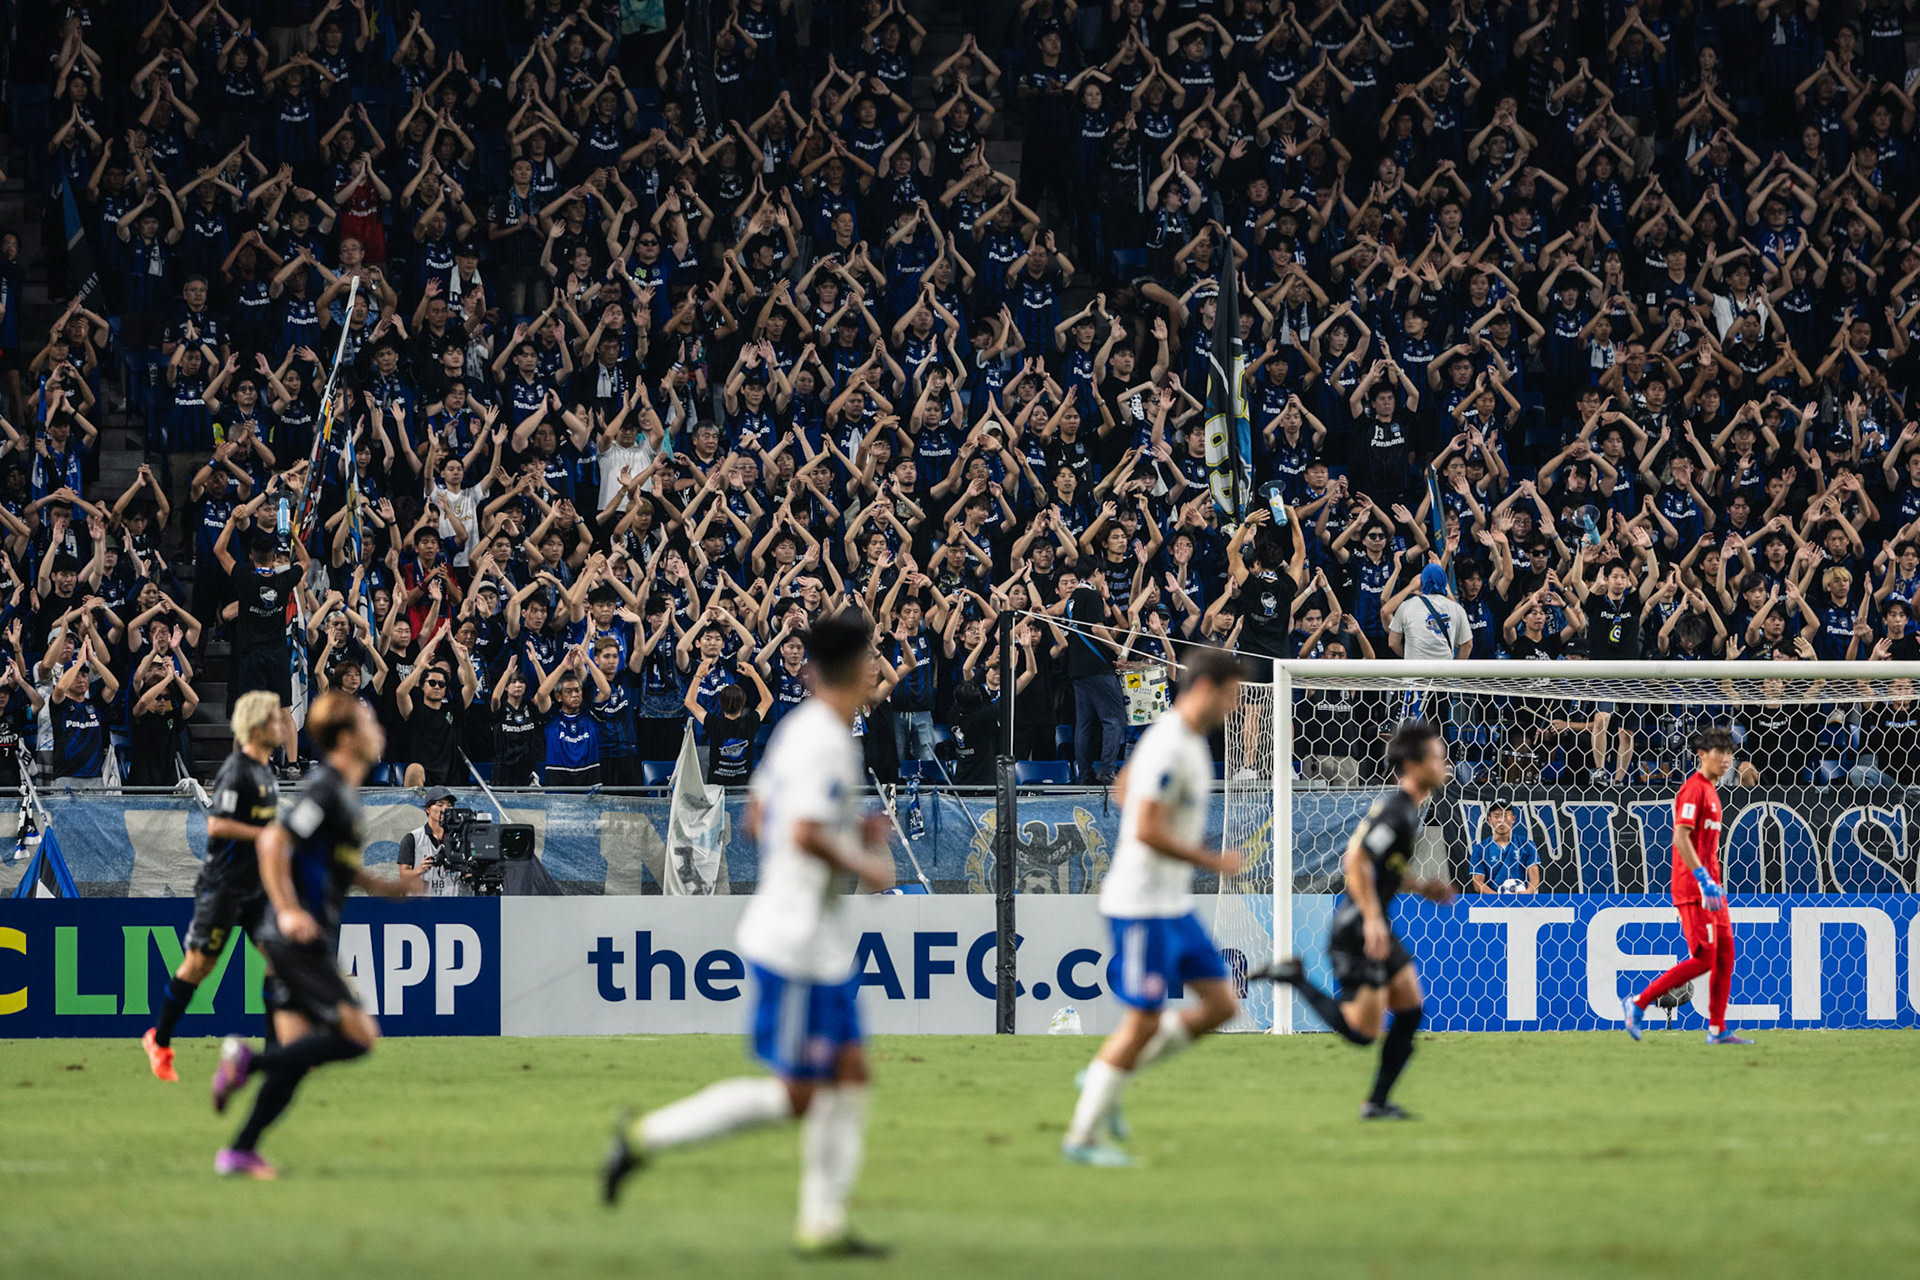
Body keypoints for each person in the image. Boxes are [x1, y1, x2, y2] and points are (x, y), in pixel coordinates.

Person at [601, 612, 896, 1257]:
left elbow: (760, 817)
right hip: (794, 940)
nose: (880, 666)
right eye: (875, 656)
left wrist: (846, 836)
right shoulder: (824, 738)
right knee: (797, 1094)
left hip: (815, 936)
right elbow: (797, 831)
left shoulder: (799, 732)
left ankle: (823, 1224)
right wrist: (865, 862)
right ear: (858, 666)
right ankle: (645, 1138)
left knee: (849, 1073)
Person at [208, 692, 417, 1178]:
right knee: (362, 1037)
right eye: (368, 721)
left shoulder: (345, 793)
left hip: (301, 937)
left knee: (296, 1058)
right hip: (297, 938)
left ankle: (239, 1150)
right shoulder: (325, 788)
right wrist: (286, 911)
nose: (378, 729)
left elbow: (338, 867)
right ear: (346, 738)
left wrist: (387, 888)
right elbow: (275, 843)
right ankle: (245, 1063)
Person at [1060, 647, 1248, 1166]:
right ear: (1207, 689)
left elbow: (1123, 791)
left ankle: (1111, 1073)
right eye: (1231, 698)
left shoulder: (1174, 739)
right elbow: (1142, 827)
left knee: (1221, 1006)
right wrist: (1208, 858)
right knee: (1142, 1024)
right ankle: (1082, 1138)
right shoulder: (1170, 745)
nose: (1234, 709)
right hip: (1139, 906)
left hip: (1172, 905)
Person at [1259, 720, 1458, 1120]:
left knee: (1411, 1009)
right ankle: (1295, 977)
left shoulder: (1406, 810)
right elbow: (1357, 862)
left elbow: (1381, 868)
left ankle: (1377, 1104)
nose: (1446, 764)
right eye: (1438, 757)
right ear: (1416, 764)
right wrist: (1371, 919)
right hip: (1357, 928)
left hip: (1374, 920)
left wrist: (1421, 888)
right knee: (1362, 1033)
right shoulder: (1398, 811)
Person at [142, 691, 282, 1081]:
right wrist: (266, 834)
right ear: (256, 727)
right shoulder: (236, 771)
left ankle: (273, 1057)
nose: (280, 724)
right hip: (223, 885)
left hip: (256, 888)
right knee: (199, 965)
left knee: (279, 957)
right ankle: (159, 1039)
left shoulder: (266, 773)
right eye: (273, 719)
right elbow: (217, 825)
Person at [1623, 727, 1751, 1045]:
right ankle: (1639, 1003)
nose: (1726, 759)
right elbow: (1681, 836)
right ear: (1701, 755)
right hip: (1693, 888)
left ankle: (1718, 1028)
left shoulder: (1712, 791)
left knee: (1726, 955)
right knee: (1705, 957)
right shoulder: (1693, 790)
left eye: (1729, 753)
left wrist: (1714, 882)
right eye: (1719, 752)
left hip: (1711, 888)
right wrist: (1703, 879)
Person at [396, 785, 461, 897]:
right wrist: (420, 869)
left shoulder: (460, 838)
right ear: (427, 809)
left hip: (453, 904)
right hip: (420, 904)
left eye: (450, 806)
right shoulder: (412, 838)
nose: (446, 809)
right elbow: (403, 876)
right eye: (440, 805)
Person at [1469, 800, 1541, 893]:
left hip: (1521, 902)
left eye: (1505, 815)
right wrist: (1499, 899)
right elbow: (1478, 882)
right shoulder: (1480, 849)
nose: (1501, 820)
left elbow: (1534, 877)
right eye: (1496, 816)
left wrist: (1526, 894)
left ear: (1513, 819)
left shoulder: (1527, 845)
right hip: (1492, 903)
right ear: (1489, 820)